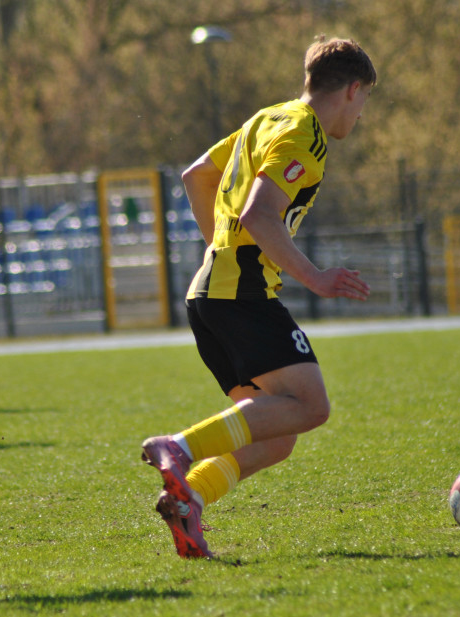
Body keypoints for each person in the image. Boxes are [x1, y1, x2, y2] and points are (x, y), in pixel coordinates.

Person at [140, 36, 376, 559]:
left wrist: (220, 250)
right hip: (241, 294)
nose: (360, 117)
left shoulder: (270, 117)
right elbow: (259, 215)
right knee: (311, 406)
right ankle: (177, 449)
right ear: (352, 91)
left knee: (276, 434)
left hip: (212, 292)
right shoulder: (305, 136)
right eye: (364, 104)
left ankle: (190, 498)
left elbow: (196, 176)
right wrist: (315, 277)